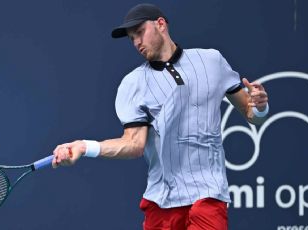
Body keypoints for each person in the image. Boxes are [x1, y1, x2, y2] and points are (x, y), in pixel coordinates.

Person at [52, 3, 269, 230]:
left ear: (161, 24)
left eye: (139, 32)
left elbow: (252, 114)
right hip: (161, 201)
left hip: (208, 195)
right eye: (131, 38)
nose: (136, 42)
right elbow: (133, 144)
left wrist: (260, 107)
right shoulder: (133, 84)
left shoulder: (212, 61)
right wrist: (85, 147)